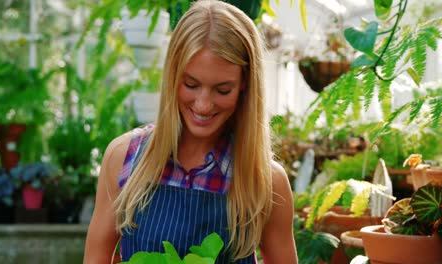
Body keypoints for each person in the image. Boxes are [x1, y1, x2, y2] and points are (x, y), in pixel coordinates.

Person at [84, 0, 297, 263]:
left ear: (245, 86)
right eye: (191, 84)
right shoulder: (125, 158)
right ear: (173, 76)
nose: (204, 104)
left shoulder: (265, 180)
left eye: (222, 90)